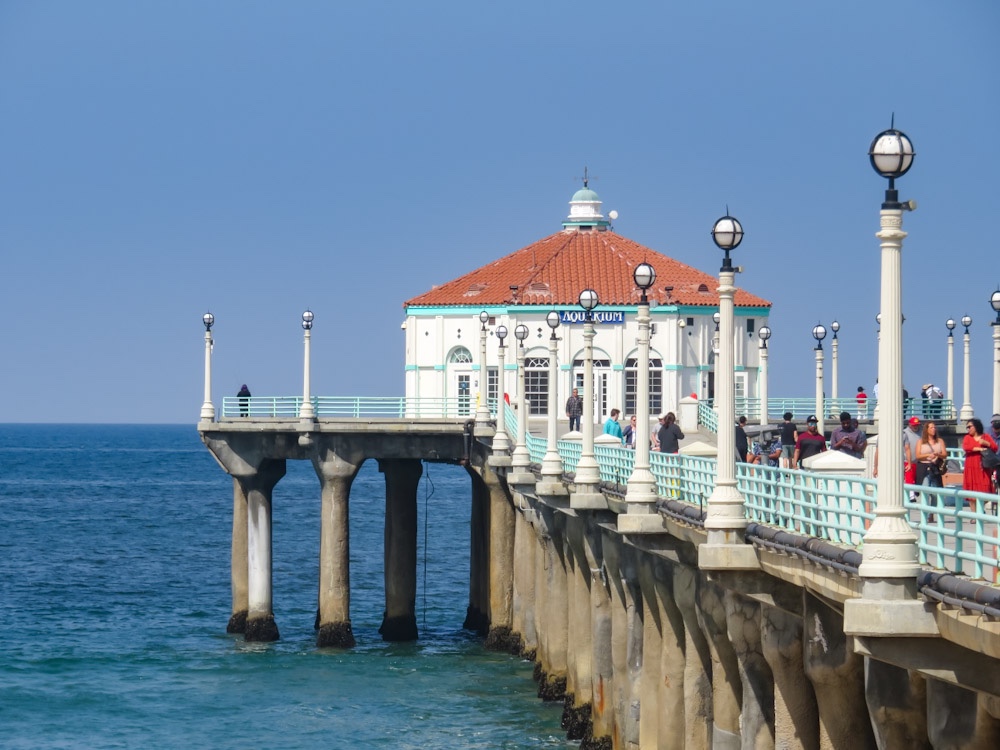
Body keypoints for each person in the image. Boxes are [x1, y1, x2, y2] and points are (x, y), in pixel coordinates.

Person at [915, 420, 947, 520]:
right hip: (924, 468)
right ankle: (926, 513)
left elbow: (945, 454)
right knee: (925, 490)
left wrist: (938, 454)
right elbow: (918, 456)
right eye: (931, 427)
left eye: (934, 427)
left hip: (935, 468)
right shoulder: (920, 441)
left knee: (935, 493)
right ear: (927, 430)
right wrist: (928, 455)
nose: (934, 429)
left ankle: (932, 513)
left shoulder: (940, 441)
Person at [963, 418, 998, 503]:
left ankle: (981, 511)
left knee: (985, 491)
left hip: (983, 467)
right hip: (970, 467)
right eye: (967, 427)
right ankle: (974, 515)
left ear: (976, 426)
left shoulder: (986, 436)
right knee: (971, 495)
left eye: (970, 426)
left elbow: (995, 448)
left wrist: (986, 443)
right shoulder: (967, 437)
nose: (968, 429)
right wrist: (979, 448)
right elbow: (966, 447)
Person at [903, 416, 922, 491]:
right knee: (909, 480)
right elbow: (906, 448)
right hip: (908, 461)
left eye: (917, 425)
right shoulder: (905, 433)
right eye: (914, 425)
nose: (916, 426)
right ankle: (911, 497)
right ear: (909, 424)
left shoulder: (922, 432)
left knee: (919, 481)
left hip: (920, 462)